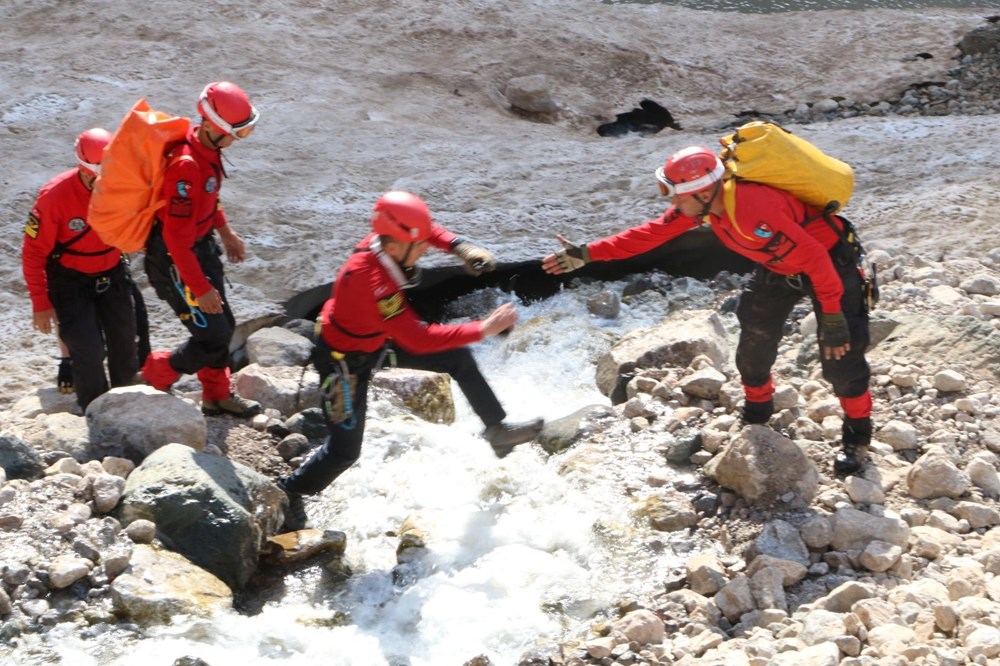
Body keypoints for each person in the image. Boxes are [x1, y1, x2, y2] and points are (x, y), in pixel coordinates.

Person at [542, 146, 873, 476]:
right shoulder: (703, 206)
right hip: (779, 267)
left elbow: (815, 257)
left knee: (842, 359)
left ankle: (857, 438)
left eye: (675, 195)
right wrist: (587, 253)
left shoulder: (752, 207)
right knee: (753, 342)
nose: (672, 203)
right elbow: (650, 234)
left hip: (830, 264)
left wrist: (831, 316)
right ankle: (757, 412)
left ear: (701, 192)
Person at [276, 191, 543, 530]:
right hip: (344, 362)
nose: (425, 250)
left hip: (372, 341)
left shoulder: (385, 242)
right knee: (345, 452)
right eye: (418, 248)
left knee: (457, 359)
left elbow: (425, 231)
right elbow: (417, 337)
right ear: (393, 248)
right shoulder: (371, 281)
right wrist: (484, 328)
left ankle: (497, 430)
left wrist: (460, 246)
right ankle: (289, 491)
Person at [140, 81, 262, 417]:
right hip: (175, 262)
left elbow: (207, 201)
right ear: (212, 125)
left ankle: (216, 395)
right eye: (237, 133)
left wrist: (226, 233)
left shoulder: (208, 152)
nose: (238, 140)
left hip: (200, 250)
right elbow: (176, 239)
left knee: (223, 326)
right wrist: (201, 287)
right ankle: (157, 373)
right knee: (213, 334)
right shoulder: (186, 166)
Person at [22, 128, 139, 410]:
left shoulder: (122, 185)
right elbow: (33, 252)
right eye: (95, 178)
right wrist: (40, 302)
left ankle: (127, 404)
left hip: (112, 273)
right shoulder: (54, 198)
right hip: (70, 282)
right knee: (89, 349)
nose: (102, 185)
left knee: (125, 341)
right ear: (82, 168)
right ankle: (94, 409)